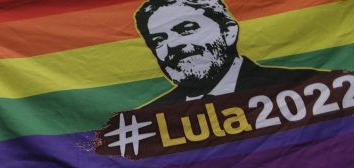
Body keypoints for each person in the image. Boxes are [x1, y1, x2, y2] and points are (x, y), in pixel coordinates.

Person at [134, 0, 321, 106]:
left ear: (228, 32)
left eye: (187, 29)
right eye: (158, 40)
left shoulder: (311, 90)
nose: (173, 44)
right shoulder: (148, 120)